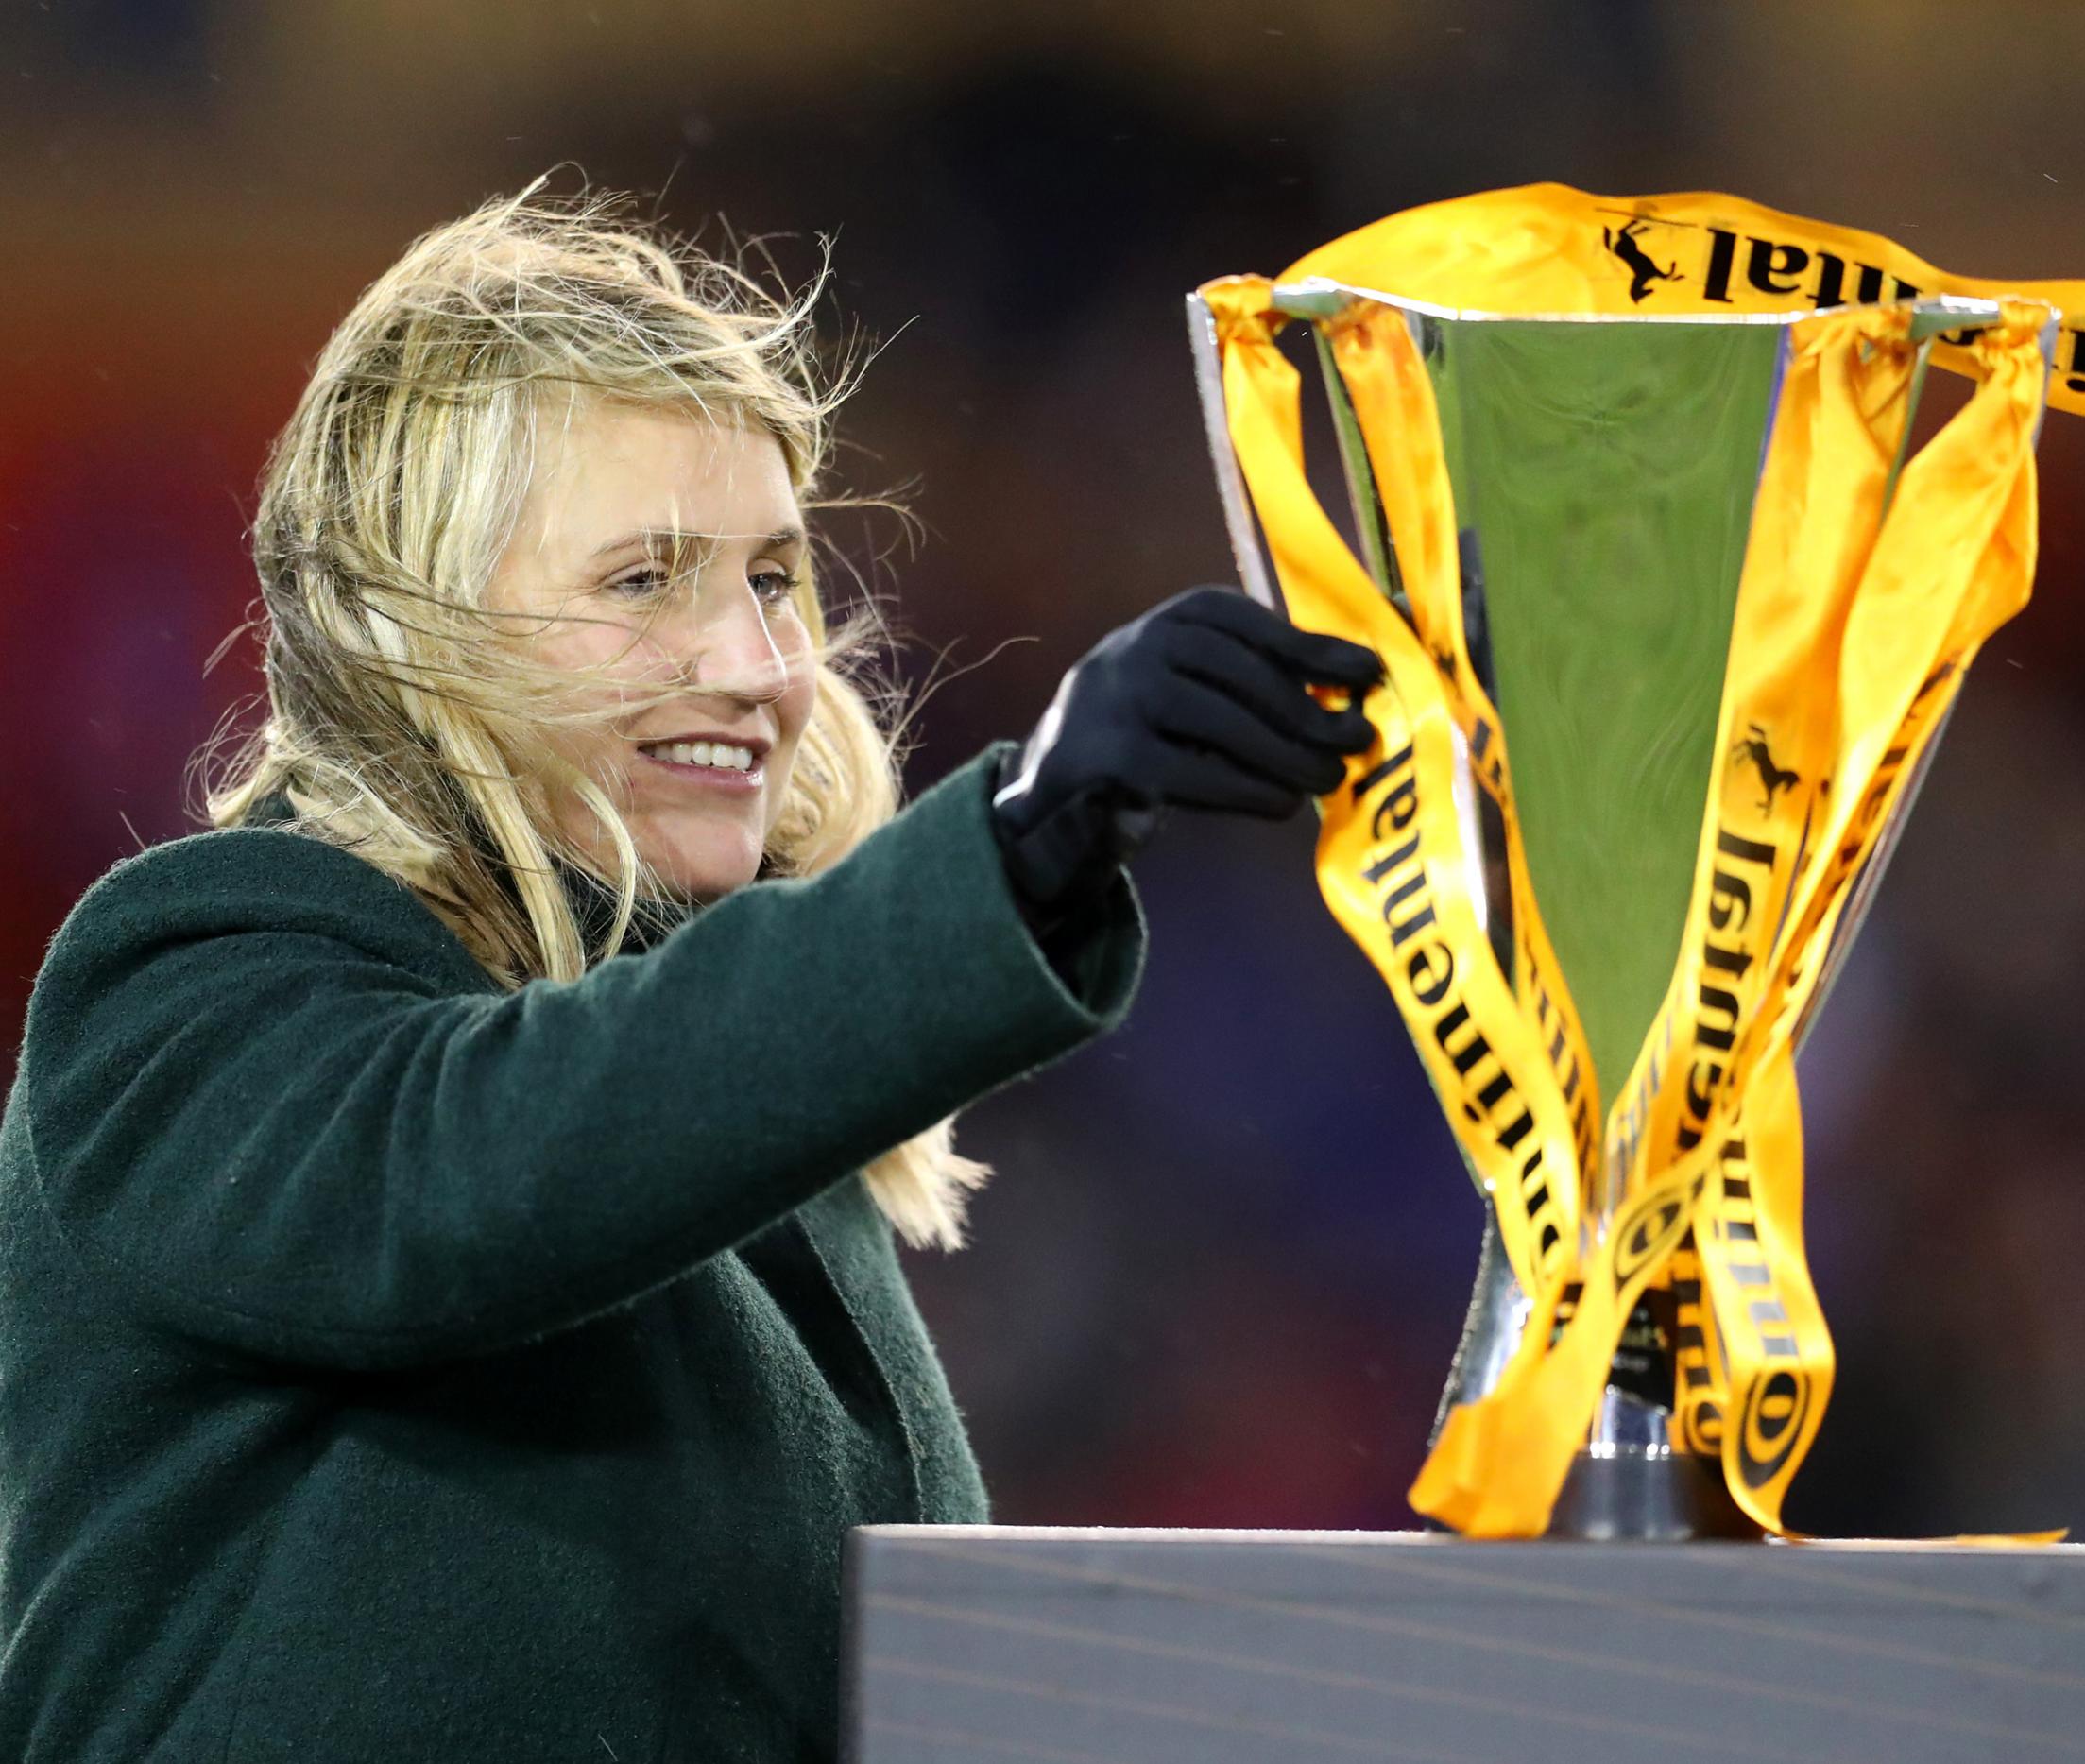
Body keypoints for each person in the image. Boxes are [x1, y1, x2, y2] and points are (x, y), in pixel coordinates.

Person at [0, 181, 1379, 1761]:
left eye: (773, 579)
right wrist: (1020, 838)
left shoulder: (763, 1134)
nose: (755, 667)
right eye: (645, 579)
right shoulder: (189, 979)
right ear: (414, 624)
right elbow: (479, 1173)